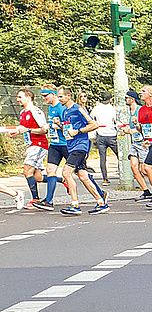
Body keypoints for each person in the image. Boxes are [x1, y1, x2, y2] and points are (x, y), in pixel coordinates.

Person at [57, 86, 109, 215]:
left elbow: (94, 124)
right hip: (71, 146)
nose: (59, 99)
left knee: (66, 172)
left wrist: (78, 131)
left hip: (80, 146)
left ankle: (74, 204)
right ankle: (101, 202)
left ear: (68, 96)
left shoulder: (78, 108)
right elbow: (69, 128)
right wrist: (60, 124)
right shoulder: (65, 112)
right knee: (83, 176)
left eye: (61, 96)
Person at [34, 85, 69, 211]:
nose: (43, 98)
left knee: (80, 172)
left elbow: (68, 126)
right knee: (50, 170)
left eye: (46, 95)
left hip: (66, 144)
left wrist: (58, 125)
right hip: (55, 144)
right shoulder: (51, 107)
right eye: (42, 95)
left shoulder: (61, 107)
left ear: (53, 94)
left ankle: (100, 193)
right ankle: (48, 201)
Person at [14, 88, 48, 209]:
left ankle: (35, 200)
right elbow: (24, 130)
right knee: (38, 177)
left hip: (39, 145)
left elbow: (44, 129)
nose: (18, 99)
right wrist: (16, 132)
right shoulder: (23, 113)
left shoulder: (36, 111)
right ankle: (62, 181)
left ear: (28, 98)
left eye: (20, 97)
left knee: (27, 171)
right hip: (31, 145)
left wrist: (28, 130)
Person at [122, 89, 152, 202]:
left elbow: (144, 127)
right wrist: (125, 130)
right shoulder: (129, 111)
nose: (125, 100)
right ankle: (146, 191)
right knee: (133, 167)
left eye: (127, 98)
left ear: (132, 99)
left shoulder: (140, 110)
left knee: (145, 169)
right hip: (134, 143)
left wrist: (133, 129)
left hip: (143, 142)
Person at [90, 92, 119, 185]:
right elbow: (116, 121)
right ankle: (123, 174)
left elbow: (91, 118)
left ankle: (105, 179)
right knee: (119, 155)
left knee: (103, 158)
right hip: (112, 135)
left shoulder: (96, 108)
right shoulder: (113, 109)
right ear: (111, 99)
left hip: (100, 135)